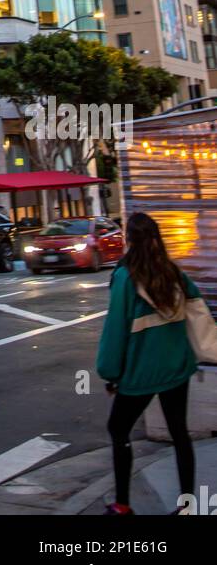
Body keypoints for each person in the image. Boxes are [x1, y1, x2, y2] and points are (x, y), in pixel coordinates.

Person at [97, 211, 199, 515]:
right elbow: (195, 304)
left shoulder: (125, 277)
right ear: (156, 238)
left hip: (139, 374)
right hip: (176, 367)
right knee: (180, 433)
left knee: (118, 429)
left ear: (129, 240)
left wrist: (110, 373)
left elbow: (116, 330)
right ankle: (187, 506)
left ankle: (123, 505)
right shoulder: (171, 272)